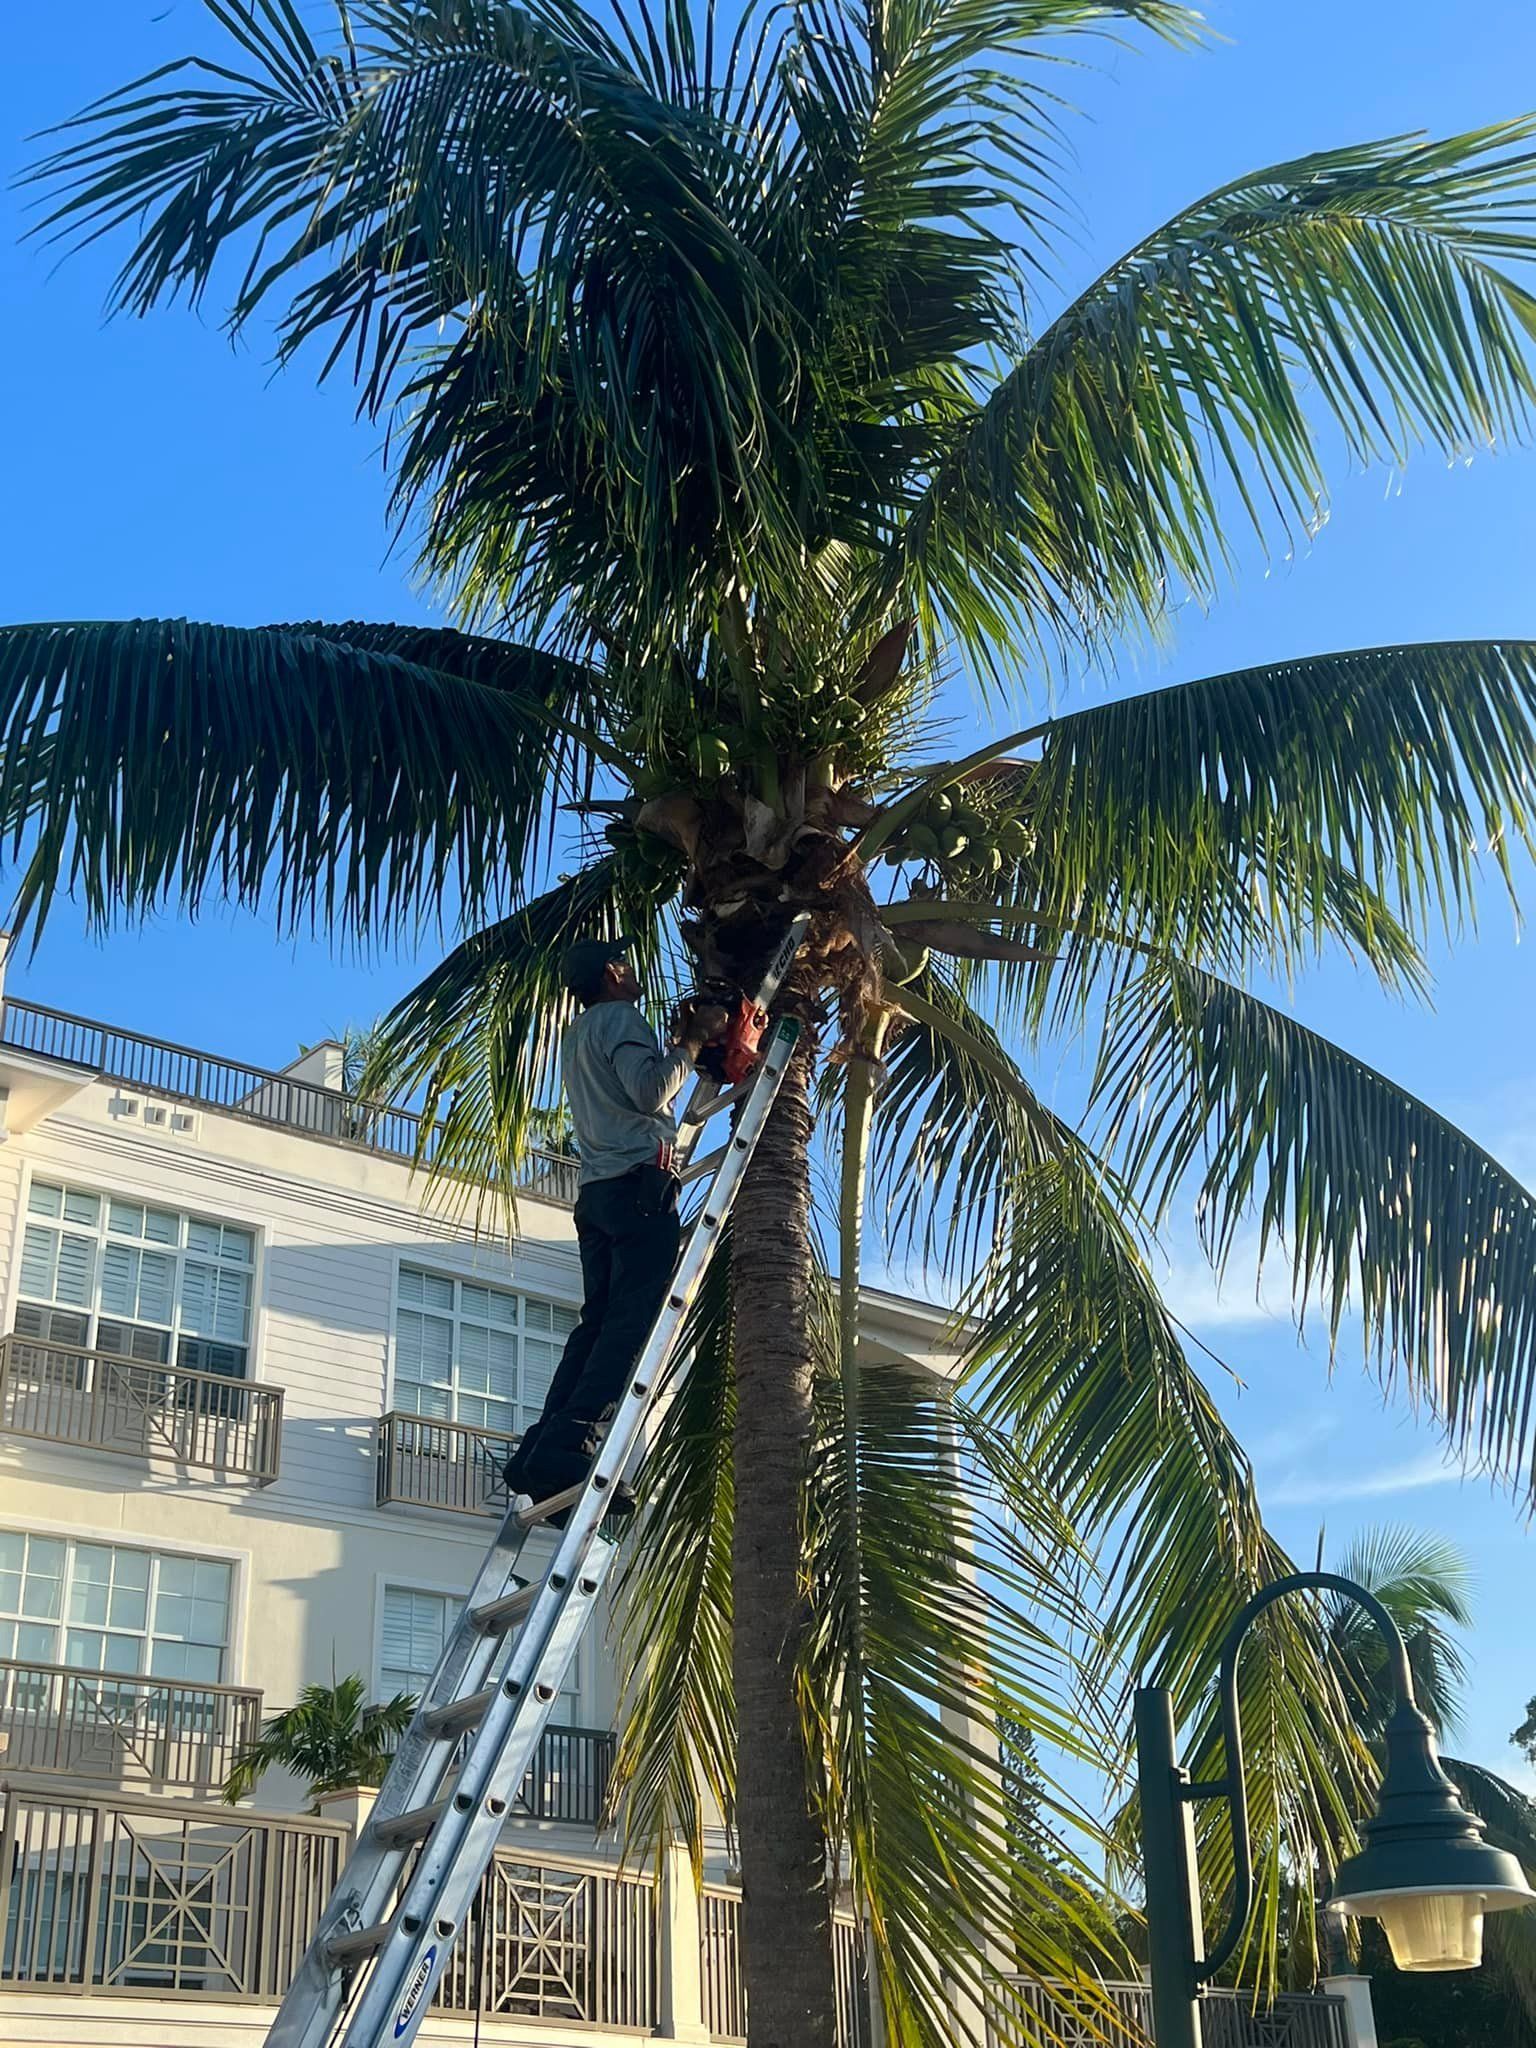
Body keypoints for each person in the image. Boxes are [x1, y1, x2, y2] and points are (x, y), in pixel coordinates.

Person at [504, 938, 728, 1508]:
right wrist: (697, 1039)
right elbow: (650, 1090)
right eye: (624, 965)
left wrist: (680, 1045)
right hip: (638, 1186)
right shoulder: (621, 1018)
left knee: (597, 1323)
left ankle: (542, 1450)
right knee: (634, 1322)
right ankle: (578, 1436)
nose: (632, 973)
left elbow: (636, 1088)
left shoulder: (578, 1035)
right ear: (611, 974)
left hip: (599, 1193)